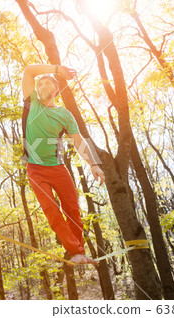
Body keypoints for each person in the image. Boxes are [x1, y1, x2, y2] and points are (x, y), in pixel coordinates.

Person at [22, 64, 105, 265]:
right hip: (35, 168)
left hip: (58, 168)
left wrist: (94, 164)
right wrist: (57, 69)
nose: (41, 85)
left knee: (73, 209)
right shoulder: (31, 102)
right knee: (52, 209)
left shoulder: (65, 115)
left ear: (56, 90)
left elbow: (79, 141)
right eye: (39, 83)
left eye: (47, 82)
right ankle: (73, 249)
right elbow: (28, 71)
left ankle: (78, 252)